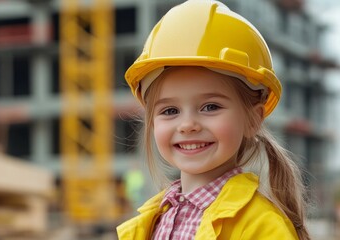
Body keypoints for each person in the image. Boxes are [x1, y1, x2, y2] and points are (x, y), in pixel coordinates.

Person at [116, 0, 310, 239]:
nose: (187, 125)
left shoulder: (262, 227)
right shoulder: (152, 221)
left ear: (253, 118)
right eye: (169, 111)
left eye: (210, 106)